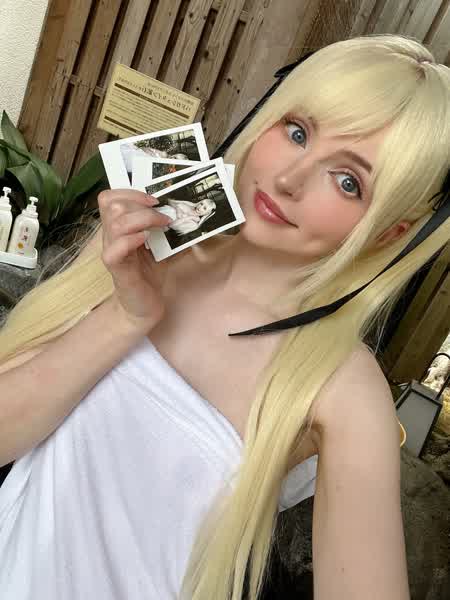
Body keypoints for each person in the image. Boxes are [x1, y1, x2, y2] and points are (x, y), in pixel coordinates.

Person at [0, 33, 448, 600]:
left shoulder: (342, 388)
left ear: (388, 232)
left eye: (348, 181)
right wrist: (124, 316)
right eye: (297, 132)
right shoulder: (148, 238)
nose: (288, 179)